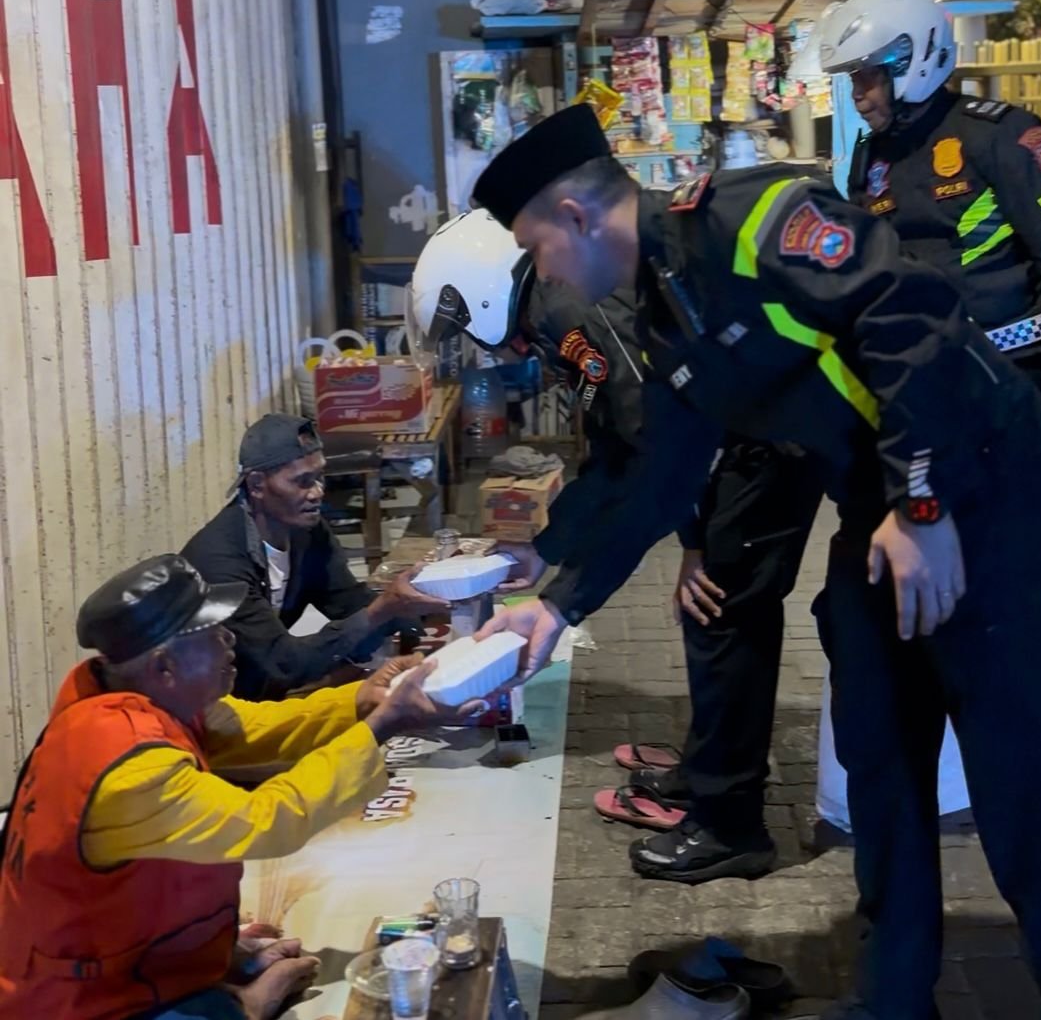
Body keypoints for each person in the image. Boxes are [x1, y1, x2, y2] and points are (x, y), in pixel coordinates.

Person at [449, 103, 1041, 1019]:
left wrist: (920, 504)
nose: (549, 272)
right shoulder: (662, 309)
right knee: (880, 762)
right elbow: (653, 467)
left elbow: (908, 310)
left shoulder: (746, 220)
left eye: (541, 247)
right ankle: (893, 996)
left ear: (575, 216)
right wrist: (555, 602)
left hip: (974, 490)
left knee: (1023, 777)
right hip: (878, 513)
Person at [414, 213, 826, 884]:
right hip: (740, 428)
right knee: (712, 615)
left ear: (482, 293)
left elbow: (665, 449)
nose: (479, 350)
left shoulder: (566, 311)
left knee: (724, 610)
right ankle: (704, 776)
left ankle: (732, 828)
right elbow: (615, 449)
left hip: (772, 434)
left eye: (463, 327)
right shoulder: (555, 308)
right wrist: (547, 548)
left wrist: (578, 597)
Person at [0, 554, 479, 1020]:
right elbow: (266, 821)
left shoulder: (126, 696)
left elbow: (253, 726)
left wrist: (362, 699)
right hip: (73, 1001)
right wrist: (381, 727)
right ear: (165, 666)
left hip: (110, 955)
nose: (231, 640)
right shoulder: (129, 766)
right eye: (212, 634)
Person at [819, 0, 1041, 473]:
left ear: (907, 62)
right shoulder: (871, 157)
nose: (858, 98)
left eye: (866, 80)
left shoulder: (1003, 135)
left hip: (1012, 383)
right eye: (854, 81)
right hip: (916, 391)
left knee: (1005, 546)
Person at [183, 414, 448, 701]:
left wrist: (418, 618)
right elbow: (282, 663)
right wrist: (382, 610)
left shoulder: (306, 532)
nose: (317, 492)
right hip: (210, 706)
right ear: (257, 485)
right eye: (302, 482)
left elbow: (347, 602)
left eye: (320, 476)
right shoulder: (220, 563)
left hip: (261, 687)